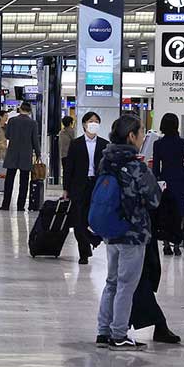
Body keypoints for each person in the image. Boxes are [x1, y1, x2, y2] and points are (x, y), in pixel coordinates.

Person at [95, 115, 162, 349]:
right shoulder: (136, 166)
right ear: (131, 136)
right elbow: (153, 199)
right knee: (126, 284)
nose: (143, 136)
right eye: (141, 132)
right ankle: (119, 333)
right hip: (133, 233)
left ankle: (103, 331)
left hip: (111, 230)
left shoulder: (106, 161)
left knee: (112, 282)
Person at [64, 112, 108, 265]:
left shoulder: (104, 144)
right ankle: (84, 251)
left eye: (96, 121)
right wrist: (66, 188)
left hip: (97, 186)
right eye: (91, 121)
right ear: (84, 124)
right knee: (78, 221)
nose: (94, 124)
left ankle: (94, 239)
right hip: (79, 186)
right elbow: (69, 167)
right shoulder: (76, 144)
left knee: (95, 219)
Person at [151, 113, 184, 255]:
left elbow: (156, 166)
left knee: (166, 212)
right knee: (181, 212)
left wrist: (157, 181)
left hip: (165, 181)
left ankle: (166, 244)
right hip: (180, 180)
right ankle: (178, 244)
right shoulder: (181, 143)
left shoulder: (158, 144)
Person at [0, 102, 41, 211]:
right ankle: (20, 206)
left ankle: (5, 205)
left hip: (12, 154)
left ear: (20, 109)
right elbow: (35, 140)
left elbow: (7, 135)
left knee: (9, 181)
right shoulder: (33, 123)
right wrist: (38, 153)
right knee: (24, 182)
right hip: (25, 155)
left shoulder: (12, 121)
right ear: (29, 111)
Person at [57, 116, 77, 187]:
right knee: (71, 173)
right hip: (71, 155)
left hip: (63, 155)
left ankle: (65, 187)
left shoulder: (61, 132)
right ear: (70, 123)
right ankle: (70, 187)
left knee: (65, 172)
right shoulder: (72, 131)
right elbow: (75, 141)